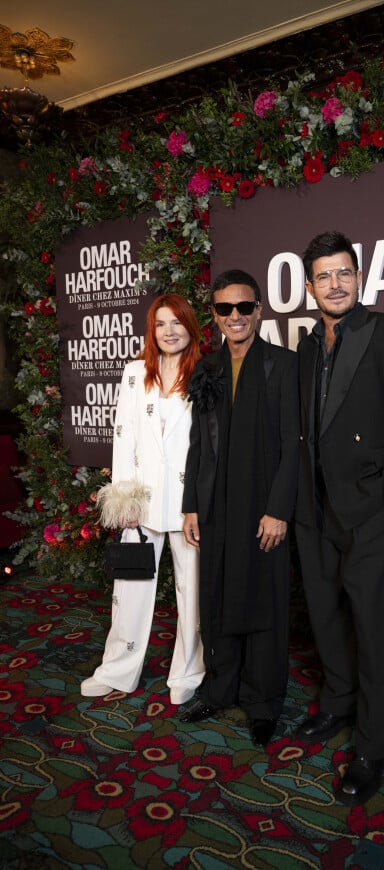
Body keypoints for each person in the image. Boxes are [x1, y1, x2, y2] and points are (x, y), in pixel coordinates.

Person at [294, 231, 384, 804]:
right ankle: (337, 705)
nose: (335, 284)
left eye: (343, 272)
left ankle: (372, 745)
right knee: (325, 618)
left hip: (368, 510)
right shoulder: (304, 346)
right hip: (314, 508)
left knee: (375, 632)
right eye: (323, 276)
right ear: (308, 286)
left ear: (359, 277)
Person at [180, 269, 299, 748]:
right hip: (215, 506)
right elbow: (197, 444)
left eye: (244, 307)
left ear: (259, 311)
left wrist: (279, 508)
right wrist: (191, 505)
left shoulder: (283, 366)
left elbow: (295, 444)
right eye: (225, 309)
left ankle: (263, 702)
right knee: (218, 596)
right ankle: (219, 687)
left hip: (263, 507)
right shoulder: (206, 369)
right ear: (214, 315)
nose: (235, 316)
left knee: (265, 602)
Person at [81, 293, 205, 706]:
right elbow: (124, 434)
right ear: (152, 330)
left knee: (193, 591)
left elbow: (211, 444)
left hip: (190, 503)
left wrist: (202, 501)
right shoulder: (135, 373)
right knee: (130, 586)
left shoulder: (205, 372)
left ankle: (188, 673)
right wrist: (124, 497)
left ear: (190, 325)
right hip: (142, 499)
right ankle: (117, 669)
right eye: (161, 324)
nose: (170, 332)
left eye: (177, 322)